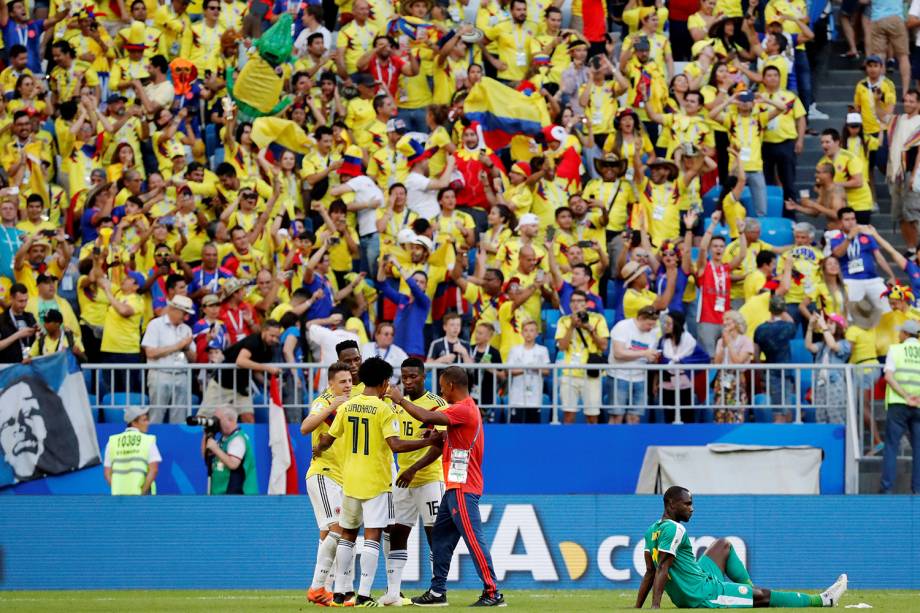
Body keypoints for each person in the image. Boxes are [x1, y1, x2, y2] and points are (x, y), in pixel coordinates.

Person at [313, 357, 437, 607]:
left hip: (349, 480)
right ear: (383, 383)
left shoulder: (348, 406)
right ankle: (365, 594)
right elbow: (396, 445)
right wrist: (427, 441)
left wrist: (318, 448)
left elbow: (329, 437)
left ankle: (340, 592)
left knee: (347, 535)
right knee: (372, 536)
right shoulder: (384, 409)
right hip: (376, 483)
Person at [386, 366, 505, 607]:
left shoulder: (463, 409)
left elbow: (428, 417)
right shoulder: (462, 408)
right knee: (440, 538)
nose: (440, 389)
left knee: (473, 539)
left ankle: (493, 592)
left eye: (442, 385)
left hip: (463, 487)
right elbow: (435, 418)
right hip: (453, 486)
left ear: (451, 385)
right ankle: (438, 592)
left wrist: (400, 400)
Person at [636, 486, 848, 608]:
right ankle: (822, 600)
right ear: (672, 505)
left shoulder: (651, 530)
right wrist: (655, 607)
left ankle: (746, 592)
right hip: (702, 593)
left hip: (696, 579)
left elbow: (650, 571)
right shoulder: (676, 530)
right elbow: (662, 568)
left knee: (723, 545)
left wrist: (637, 608)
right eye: (687, 504)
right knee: (762, 596)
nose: (692, 509)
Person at [386, 358, 448, 605]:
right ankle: (393, 591)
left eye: (413, 377)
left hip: (429, 479)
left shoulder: (437, 404)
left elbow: (441, 445)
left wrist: (413, 469)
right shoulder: (393, 405)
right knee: (397, 533)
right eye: (404, 377)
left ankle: (438, 590)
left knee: (435, 536)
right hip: (403, 480)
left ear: (424, 377)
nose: (408, 381)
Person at [300, 361, 353, 606]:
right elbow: (305, 427)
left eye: (350, 381)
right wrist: (332, 405)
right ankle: (317, 587)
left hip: (342, 478)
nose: (348, 385)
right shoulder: (324, 402)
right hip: (323, 473)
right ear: (330, 383)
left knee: (329, 534)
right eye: (342, 381)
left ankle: (325, 589)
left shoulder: (350, 404)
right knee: (338, 530)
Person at [201, 320, 283, 423]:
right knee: (203, 419)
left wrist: (268, 384)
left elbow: (254, 369)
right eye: (272, 336)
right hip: (222, 384)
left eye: (277, 337)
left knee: (248, 418)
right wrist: (267, 368)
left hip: (241, 387)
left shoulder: (268, 349)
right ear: (264, 331)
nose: (274, 339)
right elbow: (241, 361)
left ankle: (247, 439)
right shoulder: (253, 341)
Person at [556, 290, 610, 424]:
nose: (576, 304)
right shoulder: (563, 321)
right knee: (568, 415)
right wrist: (571, 327)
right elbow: (561, 347)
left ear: (586, 304)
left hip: (590, 373)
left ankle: (593, 444)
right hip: (569, 373)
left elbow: (604, 346)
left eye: (580, 301)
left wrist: (589, 329)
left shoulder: (598, 319)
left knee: (592, 416)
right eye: (573, 301)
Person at [880, 320, 920, 494]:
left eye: (900, 332)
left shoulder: (895, 349)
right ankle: (917, 490)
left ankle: (887, 489)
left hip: (898, 404)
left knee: (891, 446)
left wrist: (905, 396)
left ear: (905, 333)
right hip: (918, 405)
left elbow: (888, 376)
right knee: (918, 449)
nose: (898, 334)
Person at [141, 295, 196, 423]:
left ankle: (176, 443)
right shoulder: (155, 325)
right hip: (160, 374)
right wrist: (177, 346)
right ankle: (152, 442)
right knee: (156, 416)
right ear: (173, 309)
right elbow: (150, 352)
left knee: (179, 418)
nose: (186, 317)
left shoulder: (186, 329)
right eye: (184, 313)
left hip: (181, 376)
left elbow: (194, 359)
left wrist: (186, 348)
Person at [609, 305, 661, 425]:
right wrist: (644, 353)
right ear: (640, 318)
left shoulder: (653, 332)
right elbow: (618, 353)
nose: (651, 328)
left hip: (640, 378)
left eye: (653, 325)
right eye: (648, 324)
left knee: (635, 417)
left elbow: (648, 356)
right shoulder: (623, 326)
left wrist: (653, 357)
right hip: (619, 376)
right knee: (617, 416)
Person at [753, 296, 798, 423]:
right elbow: (791, 321)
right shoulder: (789, 327)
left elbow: (756, 354)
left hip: (770, 371)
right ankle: (782, 439)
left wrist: (760, 373)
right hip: (786, 371)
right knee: (785, 409)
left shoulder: (760, 329)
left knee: (777, 409)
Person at [805, 313, 852, 424]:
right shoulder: (822, 345)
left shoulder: (845, 344)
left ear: (839, 327)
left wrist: (824, 327)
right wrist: (810, 327)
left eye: (831, 323)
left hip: (835, 385)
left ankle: (839, 440)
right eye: (827, 322)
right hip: (821, 385)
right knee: (821, 416)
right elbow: (809, 346)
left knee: (835, 414)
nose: (827, 325)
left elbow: (833, 345)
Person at [103, 406, 160, 496]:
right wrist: (142, 493)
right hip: (143, 499)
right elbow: (154, 470)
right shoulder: (148, 440)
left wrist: (118, 490)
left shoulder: (112, 441)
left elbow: (107, 474)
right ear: (134, 422)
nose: (148, 423)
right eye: (144, 420)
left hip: (119, 499)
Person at [203, 406, 257, 495]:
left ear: (230, 420)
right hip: (223, 495)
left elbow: (233, 464)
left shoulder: (238, 439)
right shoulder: (224, 439)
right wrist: (206, 434)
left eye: (218, 420)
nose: (215, 423)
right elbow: (207, 458)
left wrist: (215, 449)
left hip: (236, 496)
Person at [507, 320, 550, 422]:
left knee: (533, 428)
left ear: (536, 333)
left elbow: (547, 371)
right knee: (516, 426)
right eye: (526, 330)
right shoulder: (514, 350)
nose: (528, 333)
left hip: (535, 396)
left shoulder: (542, 350)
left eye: (532, 330)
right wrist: (527, 368)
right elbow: (510, 371)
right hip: (517, 397)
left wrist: (533, 368)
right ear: (521, 333)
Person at [0, 283, 38, 363]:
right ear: (11, 298)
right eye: (20, 301)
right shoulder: (2, 320)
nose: (23, 304)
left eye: (25, 300)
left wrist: (38, 333)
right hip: (9, 367)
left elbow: (37, 342)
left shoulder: (30, 317)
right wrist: (18, 335)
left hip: (28, 364)